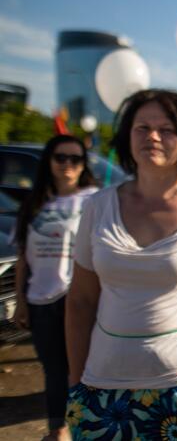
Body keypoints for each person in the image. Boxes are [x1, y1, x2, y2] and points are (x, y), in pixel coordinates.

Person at [64, 89, 177, 439]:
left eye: (166, 129)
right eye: (142, 127)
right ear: (126, 135)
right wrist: (76, 381)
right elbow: (81, 300)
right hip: (101, 390)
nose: (152, 136)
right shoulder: (97, 207)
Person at [12, 135, 98, 441]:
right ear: (49, 161)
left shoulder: (93, 200)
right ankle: (57, 430)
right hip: (41, 300)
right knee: (53, 370)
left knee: (85, 368)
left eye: (75, 159)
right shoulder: (35, 204)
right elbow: (24, 257)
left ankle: (88, 426)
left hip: (79, 299)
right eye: (61, 157)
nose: (68, 165)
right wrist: (21, 301)